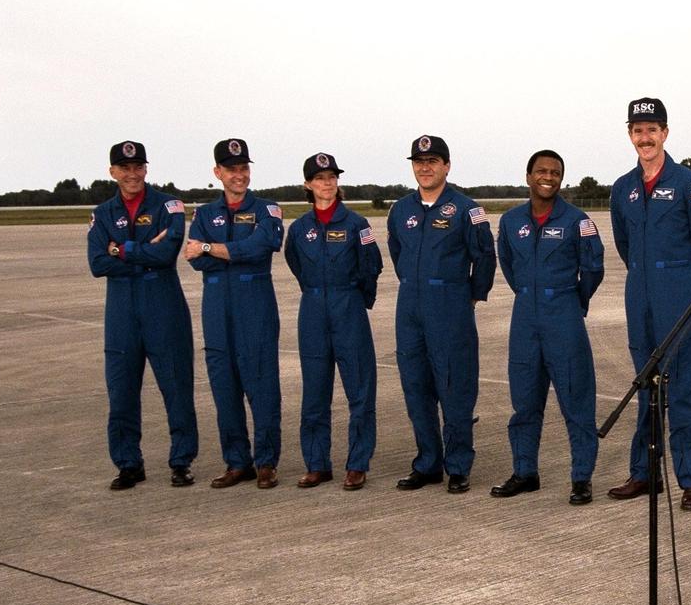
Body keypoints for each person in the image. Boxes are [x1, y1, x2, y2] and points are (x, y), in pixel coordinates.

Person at [608, 97, 691, 510]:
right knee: (645, 388)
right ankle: (645, 474)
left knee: (685, 388)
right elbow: (623, 242)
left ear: (665, 133)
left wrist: (690, 284)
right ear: (630, 135)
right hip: (640, 294)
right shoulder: (623, 188)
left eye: (652, 129)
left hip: (681, 294)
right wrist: (645, 273)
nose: (645, 137)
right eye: (638, 130)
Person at [491, 150, 605, 506]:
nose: (548, 177)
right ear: (528, 177)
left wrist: (573, 301)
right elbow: (508, 264)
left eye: (555, 172)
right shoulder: (510, 222)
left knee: (576, 399)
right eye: (541, 171)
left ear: (561, 179)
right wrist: (529, 294)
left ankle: (581, 478)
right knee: (524, 400)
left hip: (564, 317)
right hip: (525, 316)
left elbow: (594, 268)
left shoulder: (578, 221)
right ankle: (525, 472)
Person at [386, 135, 495, 494]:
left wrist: (472, 297)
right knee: (416, 386)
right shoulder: (400, 210)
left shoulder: (466, 209)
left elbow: (484, 256)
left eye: (433, 161)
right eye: (419, 162)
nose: (425, 167)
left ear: (447, 165)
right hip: (411, 307)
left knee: (455, 387)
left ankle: (459, 465)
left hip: (450, 306)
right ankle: (428, 463)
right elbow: (397, 249)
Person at [87, 141, 198, 490]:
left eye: (138, 167)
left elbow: (166, 254)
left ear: (146, 169)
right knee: (121, 390)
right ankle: (128, 464)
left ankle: (181, 461)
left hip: (163, 307)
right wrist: (144, 253)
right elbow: (96, 263)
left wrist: (122, 249)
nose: (132, 174)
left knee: (176, 386)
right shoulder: (103, 212)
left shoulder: (169, 205)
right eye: (124, 168)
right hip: (121, 311)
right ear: (113, 172)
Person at [183, 139, 284, 490]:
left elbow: (261, 247)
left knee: (262, 385)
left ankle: (266, 462)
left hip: (254, 305)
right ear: (218, 173)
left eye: (243, 168)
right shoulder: (204, 214)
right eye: (231, 169)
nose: (238, 175)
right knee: (223, 385)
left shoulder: (267, 210)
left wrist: (212, 248)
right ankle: (237, 461)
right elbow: (194, 259)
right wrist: (231, 252)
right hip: (216, 307)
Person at [283, 153, 381, 491]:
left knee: (360, 388)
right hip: (312, 310)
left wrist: (357, 299)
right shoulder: (298, 229)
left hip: (348, 307)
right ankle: (317, 464)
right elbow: (295, 263)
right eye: (320, 178)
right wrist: (316, 294)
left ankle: (357, 464)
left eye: (332, 177)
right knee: (314, 391)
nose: (327, 183)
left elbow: (372, 266)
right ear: (308, 185)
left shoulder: (358, 225)